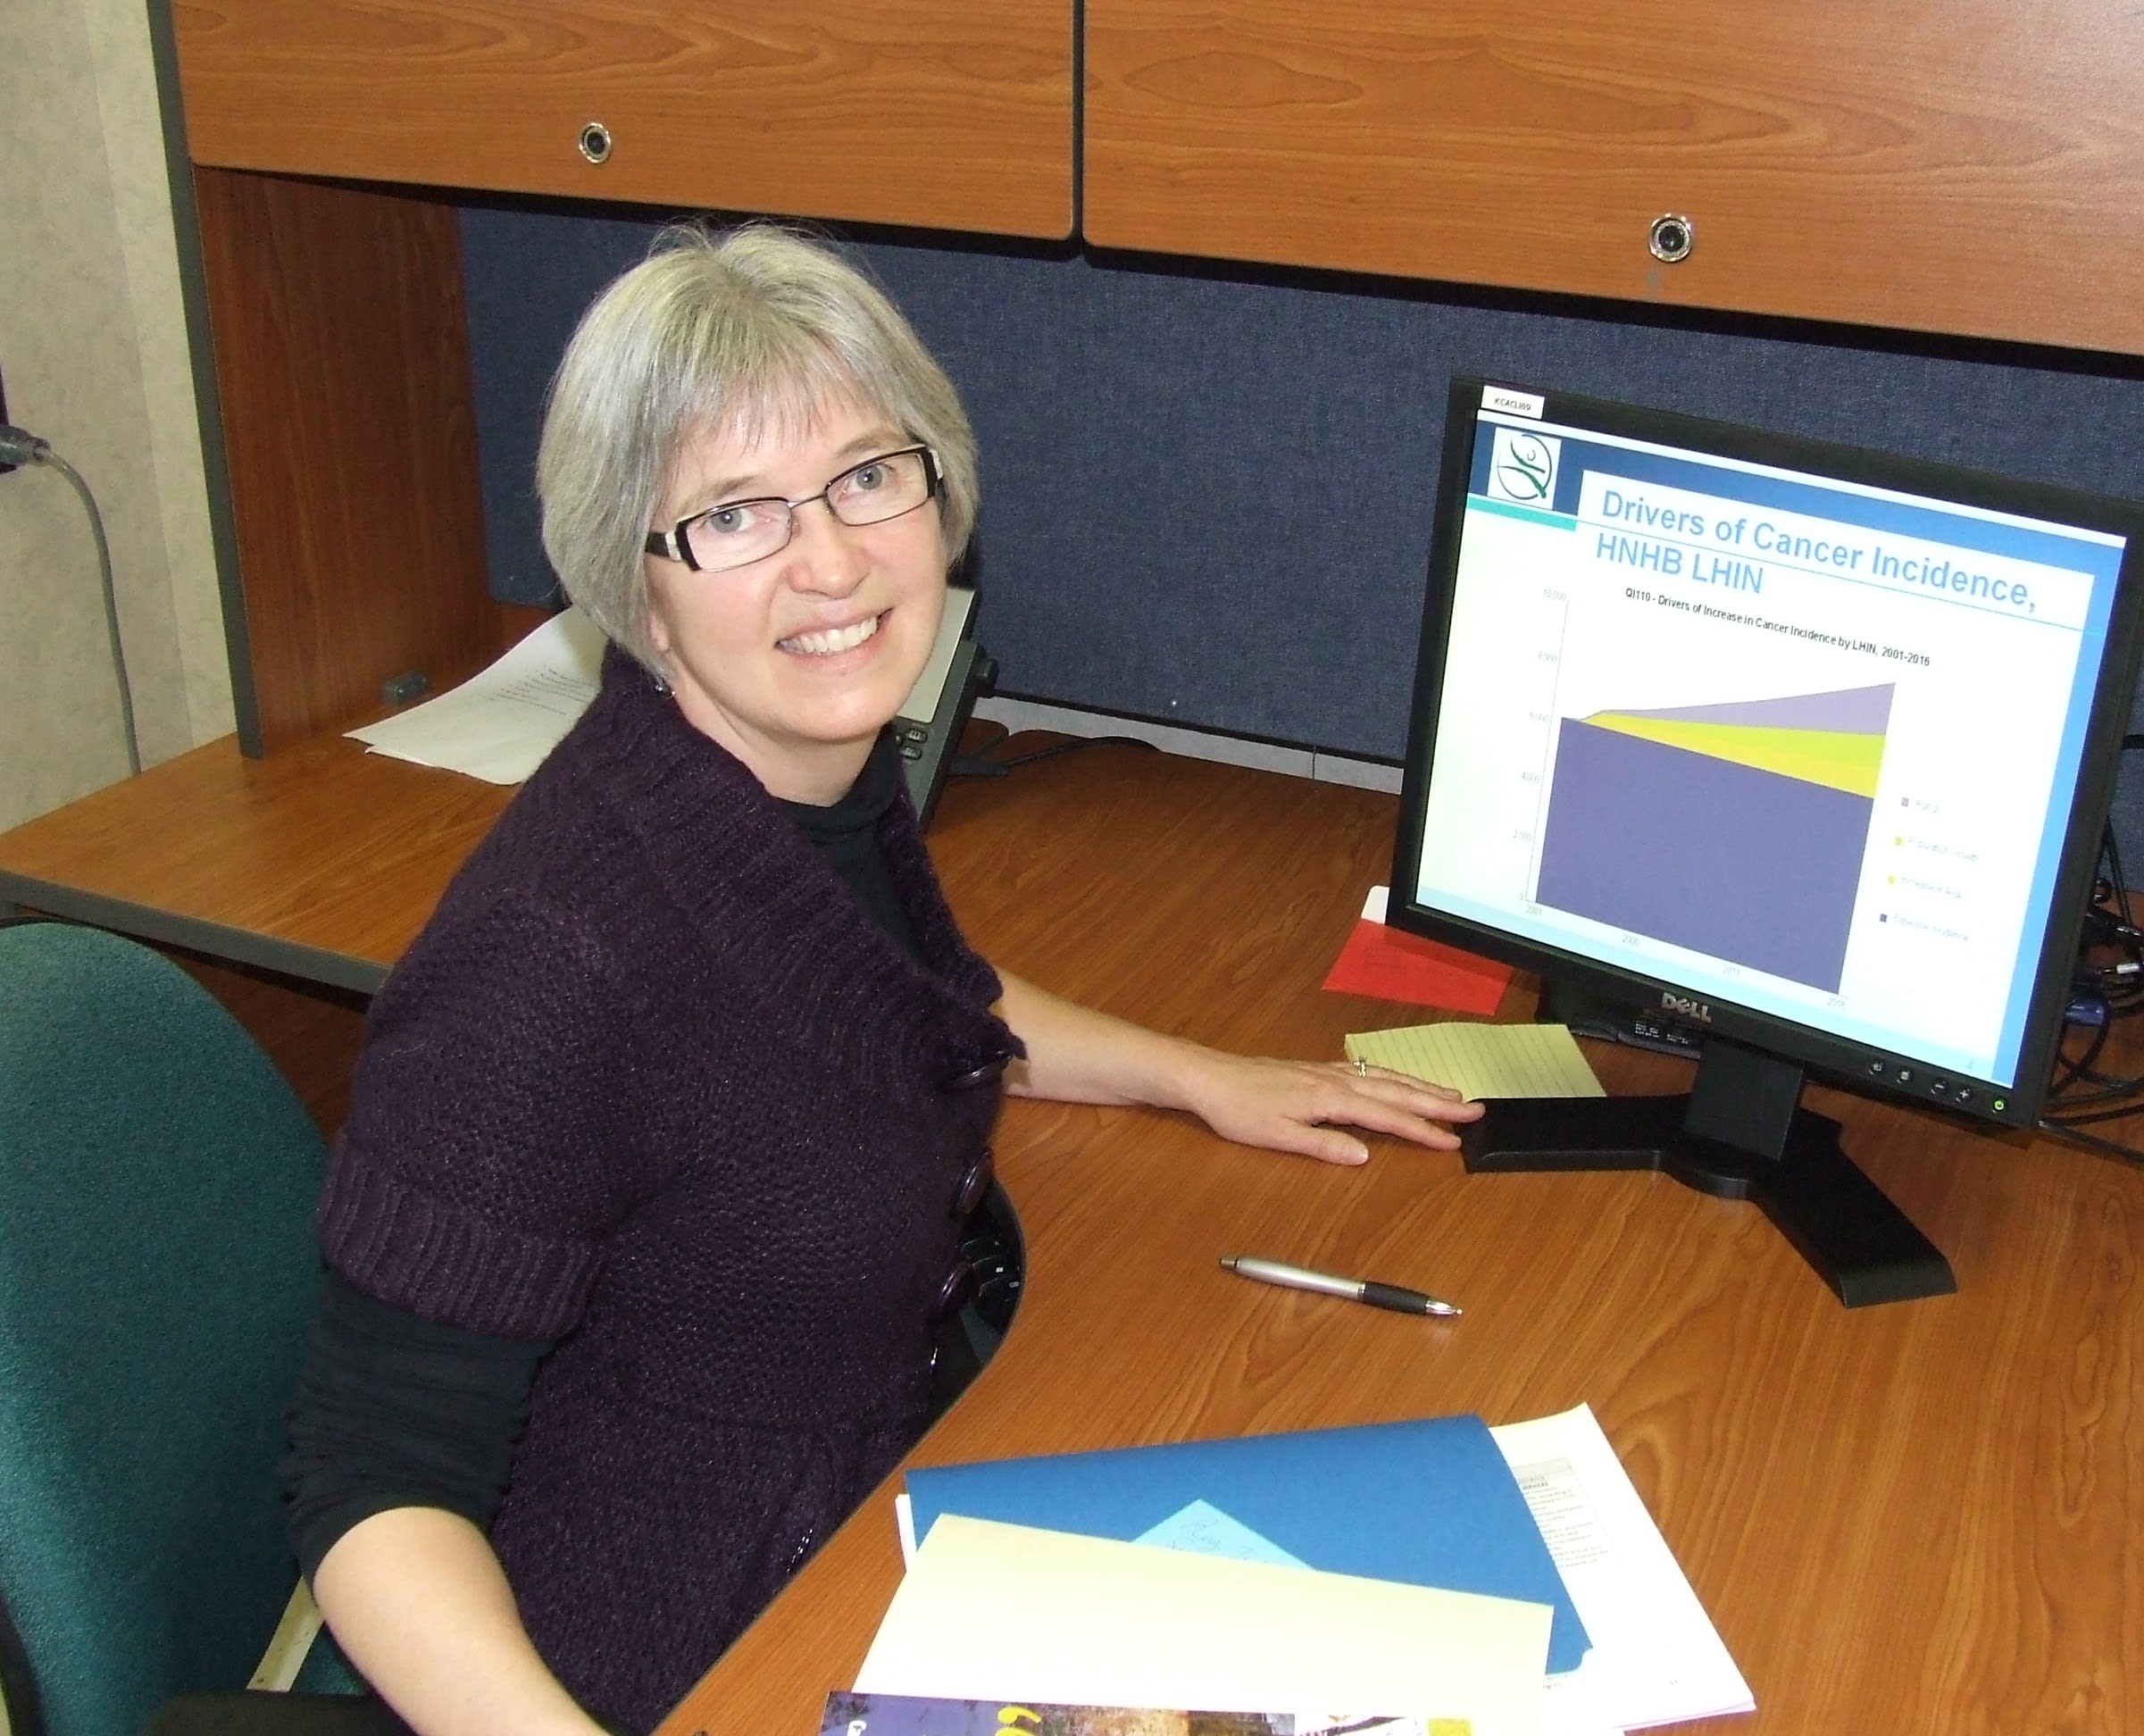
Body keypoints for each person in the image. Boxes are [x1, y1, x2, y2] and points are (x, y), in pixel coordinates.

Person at [280, 222, 1480, 1736]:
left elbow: (902, 995)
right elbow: (374, 1491)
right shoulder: (546, 962)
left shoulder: (792, 794)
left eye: (866, 475)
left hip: (871, 1519)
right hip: (672, 1653)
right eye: (735, 515)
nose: (834, 559)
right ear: (635, 585)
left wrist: (1194, 1072)